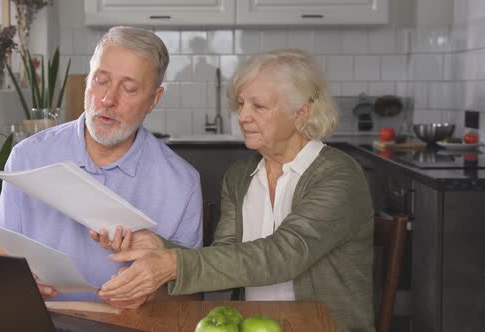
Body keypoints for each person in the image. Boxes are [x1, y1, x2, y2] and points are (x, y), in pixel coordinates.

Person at [94, 49, 375, 331]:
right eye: (241, 104)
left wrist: (172, 263)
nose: (243, 117)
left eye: (259, 106)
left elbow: (285, 254)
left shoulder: (339, 174)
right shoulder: (240, 176)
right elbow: (228, 256)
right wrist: (160, 247)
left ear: (299, 113)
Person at [0, 26, 203, 308]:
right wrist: (16, 283)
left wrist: (151, 290)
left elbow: (190, 297)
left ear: (154, 99)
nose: (108, 100)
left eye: (128, 89)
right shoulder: (27, 156)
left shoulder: (182, 183)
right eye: (100, 81)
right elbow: (0, 258)